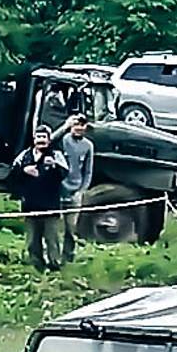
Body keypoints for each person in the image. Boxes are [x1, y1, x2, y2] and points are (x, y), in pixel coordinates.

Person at [11, 124, 70, 271]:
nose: (41, 140)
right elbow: (12, 174)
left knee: (52, 238)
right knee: (32, 239)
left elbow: (64, 174)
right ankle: (36, 264)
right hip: (30, 205)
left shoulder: (56, 155)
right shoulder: (25, 155)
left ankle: (54, 265)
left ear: (49, 140)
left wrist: (54, 166)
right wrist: (24, 170)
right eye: (38, 137)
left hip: (50, 206)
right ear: (34, 139)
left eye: (44, 137)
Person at [58, 113, 96, 263]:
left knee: (71, 227)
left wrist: (81, 191)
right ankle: (52, 256)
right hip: (58, 189)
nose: (79, 127)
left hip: (75, 192)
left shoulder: (88, 146)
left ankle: (68, 258)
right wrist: (64, 127)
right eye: (76, 124)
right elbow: (49, 142)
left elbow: (88, 171)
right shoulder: (64, 140)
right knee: (55, 226)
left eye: (82, 124)